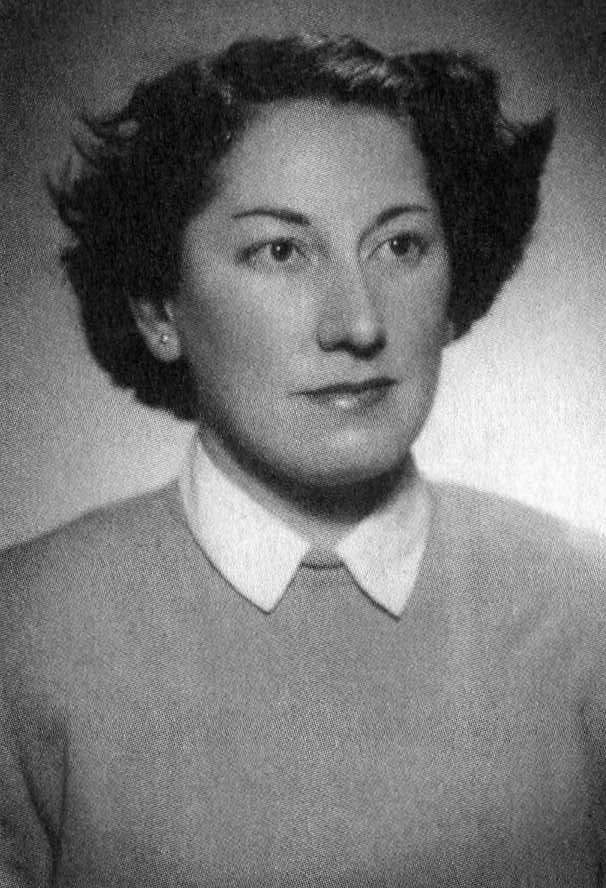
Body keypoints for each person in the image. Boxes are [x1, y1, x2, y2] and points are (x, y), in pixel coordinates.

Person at [1, 32, 605, 887]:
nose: (358, 323)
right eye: (280, 251)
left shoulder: (587, 609)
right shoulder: (23, 633)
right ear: (158, 310)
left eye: (399, 246)